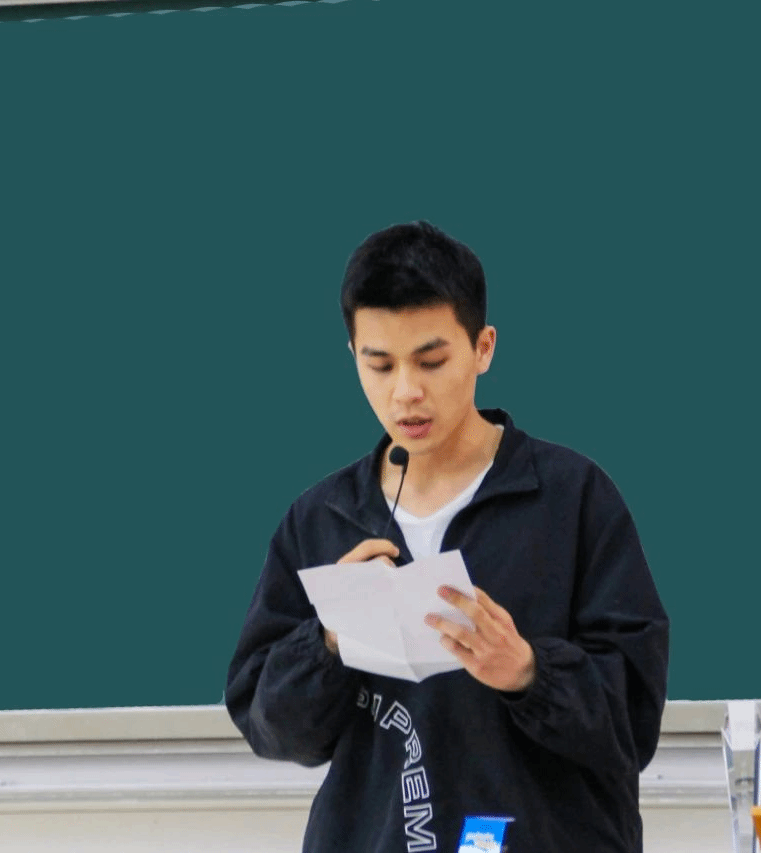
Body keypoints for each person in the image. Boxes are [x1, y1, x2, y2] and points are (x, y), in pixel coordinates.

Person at [225, 221, 670, 853]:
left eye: (432, 361)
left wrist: (529, 672)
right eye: (379, 365)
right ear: (353, 355)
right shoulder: (322, 519)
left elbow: (635, 723)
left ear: (483, 348)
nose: (406, 391)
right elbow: (272, 729)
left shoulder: (572, 498)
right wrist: (329, 638)